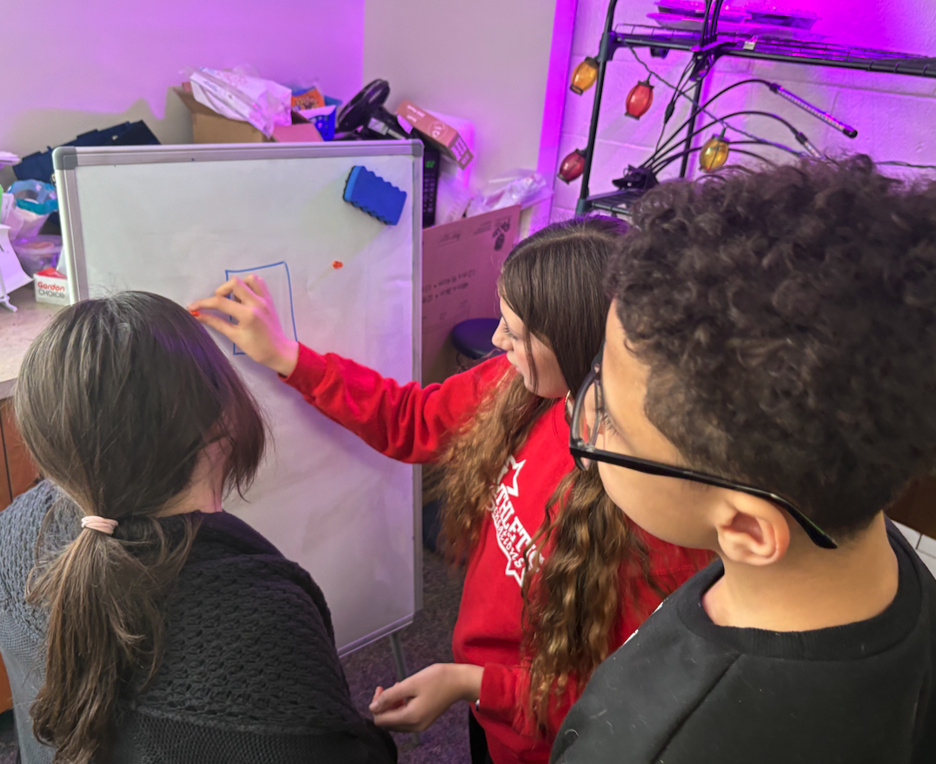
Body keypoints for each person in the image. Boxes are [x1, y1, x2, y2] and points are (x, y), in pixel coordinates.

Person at [189, 217, 713, 764]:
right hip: (488, 702)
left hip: (554, 740)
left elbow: (618, 693)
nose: (495, 339)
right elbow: (410, 417)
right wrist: (286, 357)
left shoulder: (658, 517)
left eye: (518, 331)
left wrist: (473, 683)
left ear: (581, 345)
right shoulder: (521, 387)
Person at [556, 156, 936, 764]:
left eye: (611, 427)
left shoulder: (649, 742)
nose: (589, 416)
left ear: (748, 530)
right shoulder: (888, 574)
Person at [0, 292, 396, 764]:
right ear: (221, 422)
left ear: (48, 440)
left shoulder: (14, 546)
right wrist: (378, 740)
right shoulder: (264, 626)